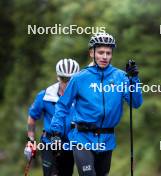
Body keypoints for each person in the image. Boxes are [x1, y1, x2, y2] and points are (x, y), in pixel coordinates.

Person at [50, 32, 143, 176]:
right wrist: (55, 132)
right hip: (82, 138)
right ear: (91, 53)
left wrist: (134, 80)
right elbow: (63, 105)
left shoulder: (121, 77)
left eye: (108, 53)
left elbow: (136, 103)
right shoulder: (79, 78)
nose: (104, 56)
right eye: (100, 52)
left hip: (107, 139)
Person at [24, 58, 80, 176]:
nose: (68, 83)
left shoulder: (82, 98)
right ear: (58, 77)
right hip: (49, 142)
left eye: (71, 79)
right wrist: (31, 141)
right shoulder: (45, 95)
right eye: (64, 79)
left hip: (70, 144)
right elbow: (32, 117)